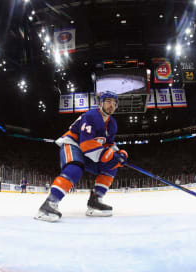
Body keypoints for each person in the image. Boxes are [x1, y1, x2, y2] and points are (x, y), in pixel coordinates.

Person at [35, 91, 128, 222]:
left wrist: (119, 155)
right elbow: (86, 144)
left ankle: (95, 201)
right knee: (75, 168)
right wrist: (108, 155)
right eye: (108, 101)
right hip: (74, 144)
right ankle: (48, 204)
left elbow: (109, 144)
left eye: (114, 103)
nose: (111, 105)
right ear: (100, 103)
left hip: (90, 151)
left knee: (112, 166)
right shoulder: (92, 115)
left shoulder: (112, 124)